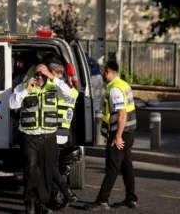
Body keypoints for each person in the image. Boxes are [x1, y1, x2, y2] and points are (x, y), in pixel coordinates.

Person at [9, 62, 75, 214]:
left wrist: (52, 77)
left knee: (46, 172)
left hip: (48, 137)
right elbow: (12, 104)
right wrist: (26, 90)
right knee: (31, 171)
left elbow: (69, 93)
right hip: (29, 137)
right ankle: (30, 204)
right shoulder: (22, 87)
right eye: (37, 74)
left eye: (42, 74)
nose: (39, 77)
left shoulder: (54, 87)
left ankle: (42, 204)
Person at [85, 60, 138, 211]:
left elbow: (122, 114)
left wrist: (118, 136)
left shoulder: (115, 89)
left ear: (108, 71)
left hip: (120, 133)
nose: (102, 73)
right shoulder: (123, 84)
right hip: (128, 132)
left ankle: (102, 200)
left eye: (103, 70)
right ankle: (131, 199)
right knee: (126, 166)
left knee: (112, 167)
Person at [49, 62, 79, 210]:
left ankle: (66, 193)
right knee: (53, 165)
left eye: (49, 73)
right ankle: (55, 196)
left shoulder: (60, 89)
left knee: (51, 166)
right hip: (63, 132)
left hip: (54, 132)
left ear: (54, 72)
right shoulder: (73, 90)